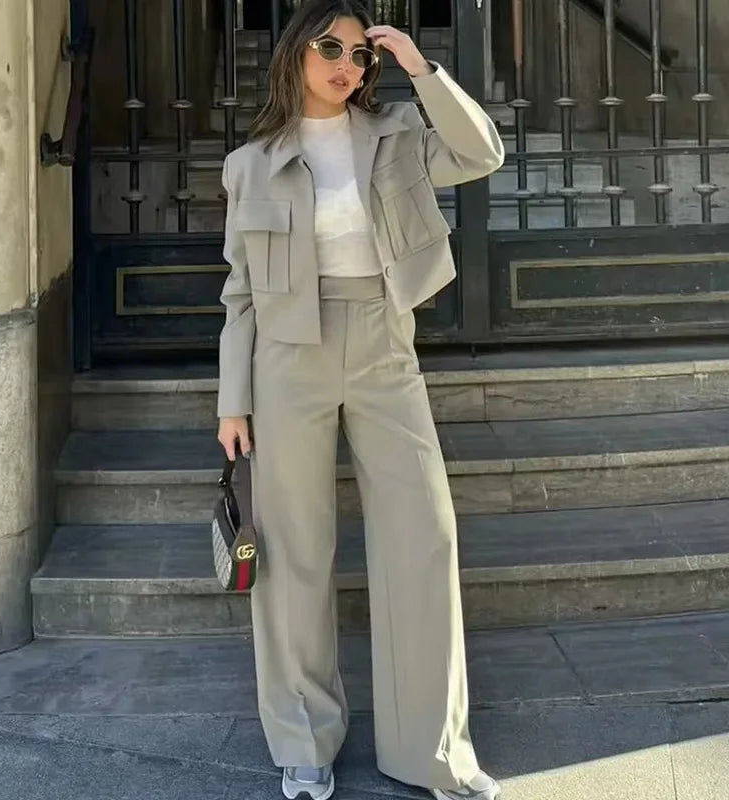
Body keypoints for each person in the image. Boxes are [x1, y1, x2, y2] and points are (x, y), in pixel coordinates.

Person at [215, 1, 505, 798]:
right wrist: (232, 401)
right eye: (330, 48)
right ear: (295, 54)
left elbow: (481, 151)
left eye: (360, 54)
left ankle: (434, 751)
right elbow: (239, 293)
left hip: (382, 339)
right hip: (286, 357)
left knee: (423, 535)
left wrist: (418, 66)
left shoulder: (398, 134)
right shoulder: (249, 164)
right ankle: (303, 741)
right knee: (293, 553)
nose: (347, 64)